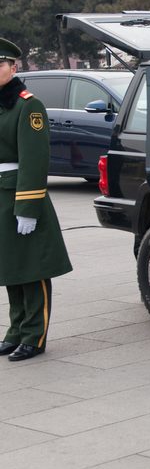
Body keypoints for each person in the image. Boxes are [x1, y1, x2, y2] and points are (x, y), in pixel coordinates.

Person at [0, 38, 73, 361]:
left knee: (32, 270)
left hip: (20, 196)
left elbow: (34, 160)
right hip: (1, 197)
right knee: (11, 270)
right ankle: (15, 331)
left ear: (13, 67)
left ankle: (35, 335)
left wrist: (27, 207)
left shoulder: (28, 105)